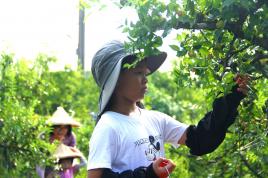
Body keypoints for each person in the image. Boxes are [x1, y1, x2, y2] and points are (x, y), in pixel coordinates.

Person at [87, 41, 249, 178]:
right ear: (115, 81)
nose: (145, 80)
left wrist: (230, 98)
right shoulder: (108, 126)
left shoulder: (155, 119)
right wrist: (149, 174)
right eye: (138, 73)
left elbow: (200, 140)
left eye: (146, 74)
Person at [37, 107, 81, 178]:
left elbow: (72, 152)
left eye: (65, 128)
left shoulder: (71, 137)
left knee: (76, 166)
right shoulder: (44, 136)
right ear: (52, 127)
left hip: (64, 161)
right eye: (58, 127)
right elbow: (40, 154)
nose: (61, 130)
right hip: (47, 162)